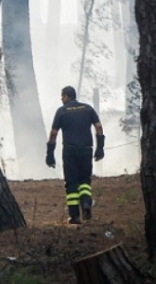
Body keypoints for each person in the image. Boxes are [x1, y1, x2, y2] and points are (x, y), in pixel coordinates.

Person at [46, 86, 105, 225]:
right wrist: (100, 147)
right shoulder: (88, 109)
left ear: (66, 96)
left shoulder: (62, 111)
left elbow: (54, 133)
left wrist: (50, 153)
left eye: (62, 97)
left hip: (70, 150)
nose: (61, 99)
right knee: (85, 180)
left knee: (71, 182)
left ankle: (74, 216)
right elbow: (98, 127)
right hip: (86, 149)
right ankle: (86, 204)